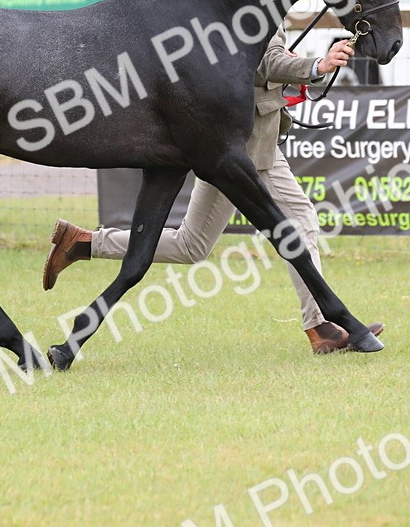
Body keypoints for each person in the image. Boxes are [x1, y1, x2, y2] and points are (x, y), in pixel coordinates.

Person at [43, 27, 384, 354]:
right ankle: (321, 326)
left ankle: (84, 243)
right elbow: (268, 61)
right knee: (300, 221)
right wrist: (316, 66)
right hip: (244, 147)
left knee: (193, 245)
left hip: (238, 142)